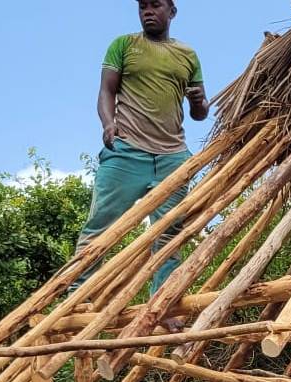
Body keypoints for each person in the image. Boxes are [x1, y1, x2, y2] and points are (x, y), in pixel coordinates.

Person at [78, 0, 209, 292]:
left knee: (169, 233)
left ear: (172, 12)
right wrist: (108, 124)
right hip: (126, 150)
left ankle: (162, 303)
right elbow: (106, 90)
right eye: (142, 7)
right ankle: (78, 294)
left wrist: (198, 101)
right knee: (100, 226)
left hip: (172, 156)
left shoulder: (187, 55)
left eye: (155, 5)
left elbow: (200, 113)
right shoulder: (124, 45)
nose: (147, 11)